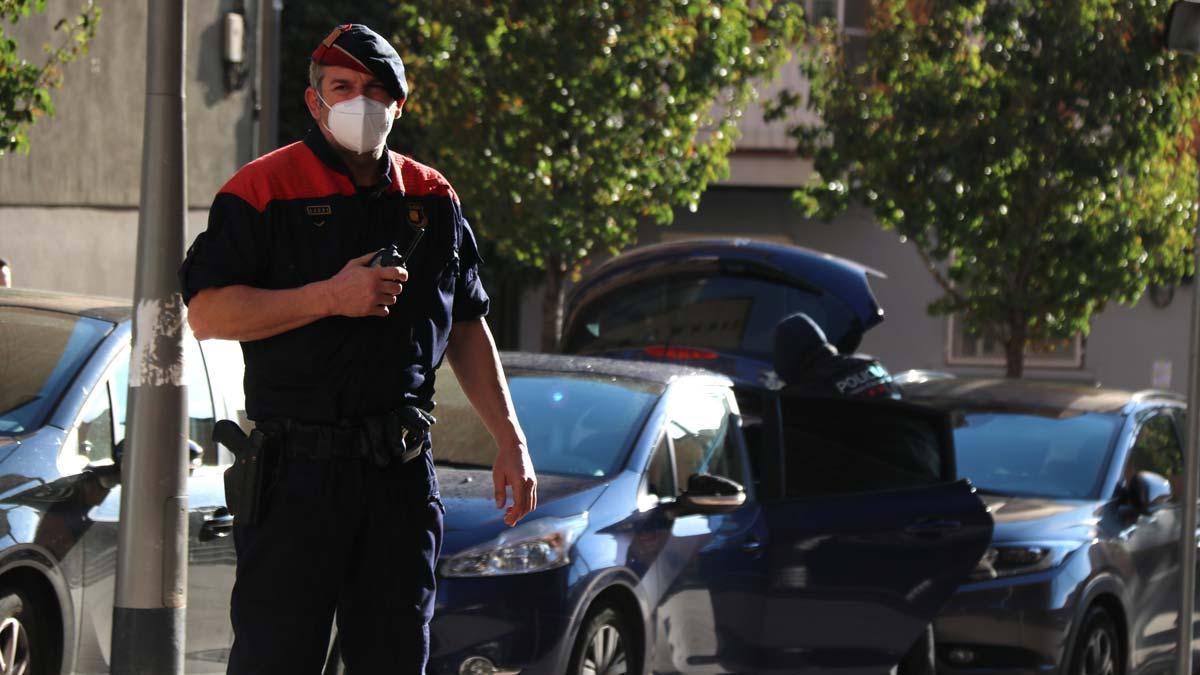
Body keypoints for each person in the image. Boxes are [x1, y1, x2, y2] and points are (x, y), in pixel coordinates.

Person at [179, 23, 537, 674]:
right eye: (342, 87)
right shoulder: (262, 189)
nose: (360, 102)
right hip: (297, 477)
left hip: (399, 475)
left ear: (400, 104)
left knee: (397, 657)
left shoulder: (433, 197)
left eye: (376, 90)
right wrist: (326, 296)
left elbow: (466, 325)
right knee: (275, 660)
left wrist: (509, 438)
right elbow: (206, 314)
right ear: (314, 102)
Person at [773, 312, 936, 675]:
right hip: (912, 506)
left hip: (856, 522)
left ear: (789, 359)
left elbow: (800, 458)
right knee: (911, 609)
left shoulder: (805, 394)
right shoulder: (871, 366)